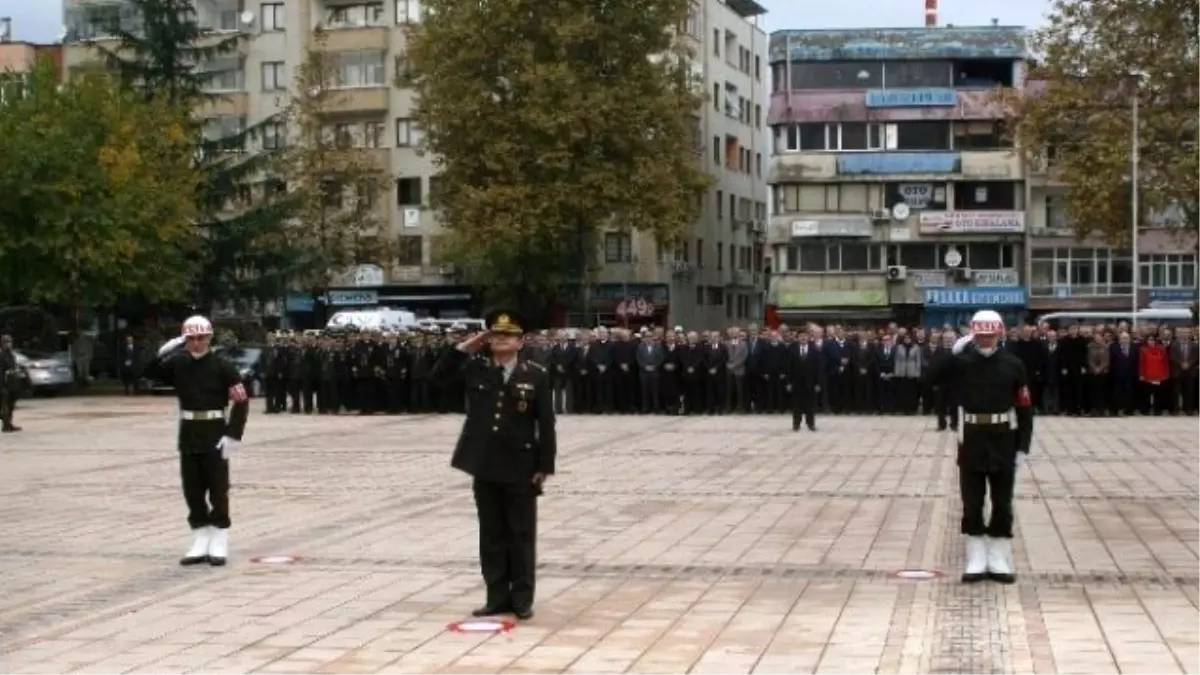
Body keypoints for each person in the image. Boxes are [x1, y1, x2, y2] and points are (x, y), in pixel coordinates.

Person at [431, 309, 556, 620]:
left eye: (507, 335)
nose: (500, 340)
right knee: (491, 535)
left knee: (521, 534)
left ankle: (522, 599)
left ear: (520, 341)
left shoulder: (535, 374)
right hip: (484, 463)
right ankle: (496, 596)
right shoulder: (477, 369)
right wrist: (469, 344)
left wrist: (545, 465)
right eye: (495, 335)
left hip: (521, 465)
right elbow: (437, 376)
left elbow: (546, 423)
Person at [932, 310, 1034, 584]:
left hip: (1003, 438)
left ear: (999, 334)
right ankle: (976, 556)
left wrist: (1023, 446)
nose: (986, 340)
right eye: (980, 335)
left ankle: (999, 556)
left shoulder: (1013, 364)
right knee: (972, 501)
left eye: (990, 335)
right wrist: (953, 352)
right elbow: (930, 377)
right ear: (973, 335)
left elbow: (1024, 408)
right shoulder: (963, 363)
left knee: (1002, 502)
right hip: (973, 438)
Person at [143, 316, 250, 567]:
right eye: (191, 338)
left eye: (201, 338)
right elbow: (147, 372)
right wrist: (166, 349)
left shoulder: (222, 366)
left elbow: (242, 400)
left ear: (209, 338)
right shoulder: (178, 363)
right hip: (189, 432)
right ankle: (200, 536)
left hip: (215, 432)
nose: (197, 343)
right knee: (192, 489)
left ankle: (219, 537)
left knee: (218, 489)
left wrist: (232, 434)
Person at [1, 334, 21, 432]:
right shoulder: (2, 356)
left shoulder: (12, 355)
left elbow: (13, 366)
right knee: (5, 405)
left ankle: (9, 423)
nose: (9, 344)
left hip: (13, 383)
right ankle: (6, 425)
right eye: (7, 342)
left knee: (11, 405)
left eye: (10, 342)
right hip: (4, 384)